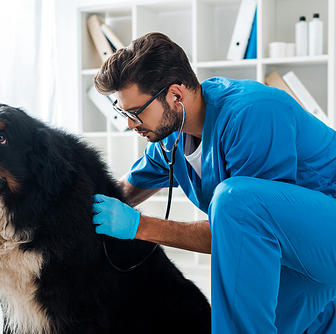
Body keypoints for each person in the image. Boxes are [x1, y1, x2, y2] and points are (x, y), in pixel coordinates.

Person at [91, 32, 336, 333]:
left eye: (135, 113)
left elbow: (244, 230)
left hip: (325, 237)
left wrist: (139, 227)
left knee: (234, 200)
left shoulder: (252, 112)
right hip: (303, 259)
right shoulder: (171, 140)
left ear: (175, 96)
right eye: (122, 112)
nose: (129, 124)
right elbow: (123, 191)